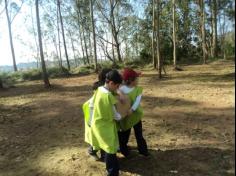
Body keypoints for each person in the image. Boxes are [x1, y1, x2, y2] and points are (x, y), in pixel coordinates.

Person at [83, 70, 123, 176]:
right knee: (110, 148)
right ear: (111, 83)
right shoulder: (108, 96)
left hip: (97, 124)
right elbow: (115, 115)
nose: (117, 88)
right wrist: (123, 115)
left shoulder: (99, 89)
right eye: (117, 86)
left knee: (104, 146)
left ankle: (108, 164)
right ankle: (112, 172)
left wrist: (91, 121)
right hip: (105, 126)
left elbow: (91, 104)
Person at [118, 68, 149, 157]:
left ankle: (143, 150)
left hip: (135, 116)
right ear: (131, 80)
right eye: (136, 78)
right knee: (124, 134)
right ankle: (124, 150)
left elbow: (137, 102)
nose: (138, 80)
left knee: (139, 134)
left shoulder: (138, 89)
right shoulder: (122, 89)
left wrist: (132, 110)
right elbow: (117, 93)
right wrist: (120, 92)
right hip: (126, 117)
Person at [87, 68, 112, 161]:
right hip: (95, 113)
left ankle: (104, 155)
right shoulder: (99, 87)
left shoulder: (103, 86)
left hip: (101, 112)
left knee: (103, 135)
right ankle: (92, 151)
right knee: (96, 135)